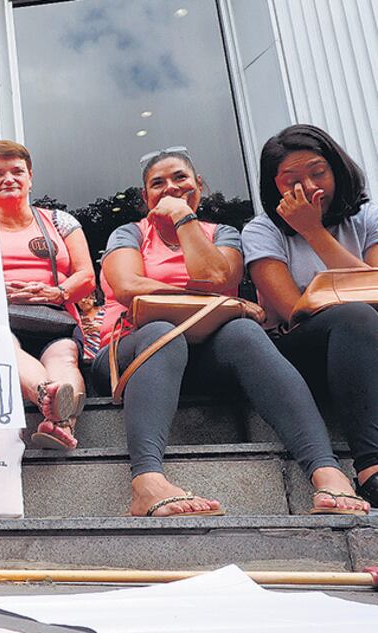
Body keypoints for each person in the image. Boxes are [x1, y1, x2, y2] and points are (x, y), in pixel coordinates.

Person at [89, 147, 369, 517]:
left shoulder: (223, 234)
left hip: (203, 358)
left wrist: (184, 218)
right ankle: (147, 482)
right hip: (129, 356)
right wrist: (222, 301)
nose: (170, 187)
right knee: (163, 332)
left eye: (180, 178)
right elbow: (128, 287)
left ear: (199, 185)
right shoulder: (129, 233)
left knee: (244, 332)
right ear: (146, 197)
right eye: (158, 183)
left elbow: (217, 277)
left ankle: (326, 470)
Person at [242, 124, 378, 506]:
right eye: (292, 181)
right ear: (275, 186)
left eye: (318, 173)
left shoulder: (366, 218)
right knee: (354, 316)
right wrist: (308, 229)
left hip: (369, 345)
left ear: (336, 168)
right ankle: (371, 468)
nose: (309, 187)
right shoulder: (261, 231)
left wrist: (315, 232)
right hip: (302, 350)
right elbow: (293, 312)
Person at [0, 140, 96, 449]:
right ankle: (54, 408)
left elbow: (87, 276)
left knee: (65, 355)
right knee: (4, 346)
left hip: (55, 317)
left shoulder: (59, 222)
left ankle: (59, 419)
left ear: (30, 177)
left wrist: (57, 292)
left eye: (17, 171)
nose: (8, 179)